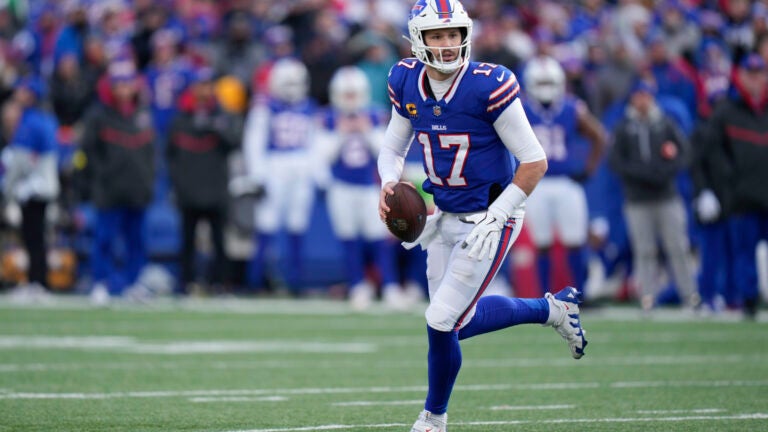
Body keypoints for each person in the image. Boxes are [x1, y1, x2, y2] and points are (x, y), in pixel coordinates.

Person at [377, 2, 588, 431]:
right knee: (458, 323)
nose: (448, 44)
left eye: (453, 34)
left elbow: (534, 162)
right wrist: (388, 182)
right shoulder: (405, 79)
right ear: (418, 39)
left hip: (492, 216)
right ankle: (553, 309)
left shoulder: (488, 85)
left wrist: (500, 214)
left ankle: (433, 419)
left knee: (440, 320)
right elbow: (394, 146)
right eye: (437, 35)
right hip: (444, 213)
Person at [319, 65, 410, 311]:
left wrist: (366, 130)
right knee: (349, 239)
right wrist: (341, 133)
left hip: (370, 186)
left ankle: (390, 286)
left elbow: (386, 150)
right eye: (346, 95)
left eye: (353, 94)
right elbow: (322, 156)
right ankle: (357, 286)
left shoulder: (374, 115)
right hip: (340, 187)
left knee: (379, 238)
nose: (350, 100)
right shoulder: (329, 118)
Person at [608, 79, 699, 312]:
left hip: (666, 194)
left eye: (646, 96)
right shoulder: (624, 127)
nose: (642, 101)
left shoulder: (665, 123)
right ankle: (647, 296)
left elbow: (684, 152)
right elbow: (616, 161)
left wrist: (663, 172)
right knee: (644, 249)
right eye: (638, 96)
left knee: (677, 247)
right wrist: (641, 174)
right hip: (637, 198)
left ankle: (689, 294)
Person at [521, 55, 607, 297]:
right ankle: (544, 298)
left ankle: (579, 294)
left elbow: (599, 136)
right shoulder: (522, 109)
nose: (546, 88)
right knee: (542, 243)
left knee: (575, 240)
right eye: (541, 83)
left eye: (549, 83)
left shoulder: (571, 108)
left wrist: (588, 170)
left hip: (566, 182)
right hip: (536, 183)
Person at [693, 54, 768, 319]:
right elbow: (706, 154)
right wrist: (707, 189)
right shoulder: (727, 111)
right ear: (741, 77)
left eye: (760, 74)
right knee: (743, 252)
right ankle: (747, 300)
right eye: (751, 74)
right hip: (741, 196)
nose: (755, 80)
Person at [80, 59, 155, 304]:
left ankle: (134, 283)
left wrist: (148, 181)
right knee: (104, 239)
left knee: (137, 241)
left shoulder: (143, 115)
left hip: (137, 189)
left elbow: (151, 154)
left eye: (127, 84)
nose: (123, 90)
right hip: (109, 189)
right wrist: (99, 179)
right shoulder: (98, 116)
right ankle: (101, 283)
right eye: (119, 84)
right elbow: (88, 153)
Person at [241, 58, 318, 293]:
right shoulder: (265, 107)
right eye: (288, 83)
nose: (293, 89)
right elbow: (253, 142)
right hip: (274, 166)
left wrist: (315, 171)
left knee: (298, 222)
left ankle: (296, 281)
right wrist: (257, 174)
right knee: (267, 221)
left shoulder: (309, 106)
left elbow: (315, 142)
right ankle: (255, 280)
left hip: (301, 166)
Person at [166, 67, 239, 295]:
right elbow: (170, 155)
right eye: (200, 85)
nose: (204, 90)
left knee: (219, 240)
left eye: (208, 85)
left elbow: (234, 143)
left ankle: (220, 283)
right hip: (189, 188)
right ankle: (186, 282)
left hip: (215, 188)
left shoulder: (222, 115)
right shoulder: (181, 118)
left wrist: (216, 127)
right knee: (187, 240)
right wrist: (177, 185)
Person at [1, 77, 60, 300]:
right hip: (43, 186)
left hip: (33, 188)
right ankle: (38, 281)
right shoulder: (45, 119)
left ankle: (37, 282)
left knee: (33, 237)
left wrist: (8, 189)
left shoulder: (30, 121)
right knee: (36, 237)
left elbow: (20, 160)